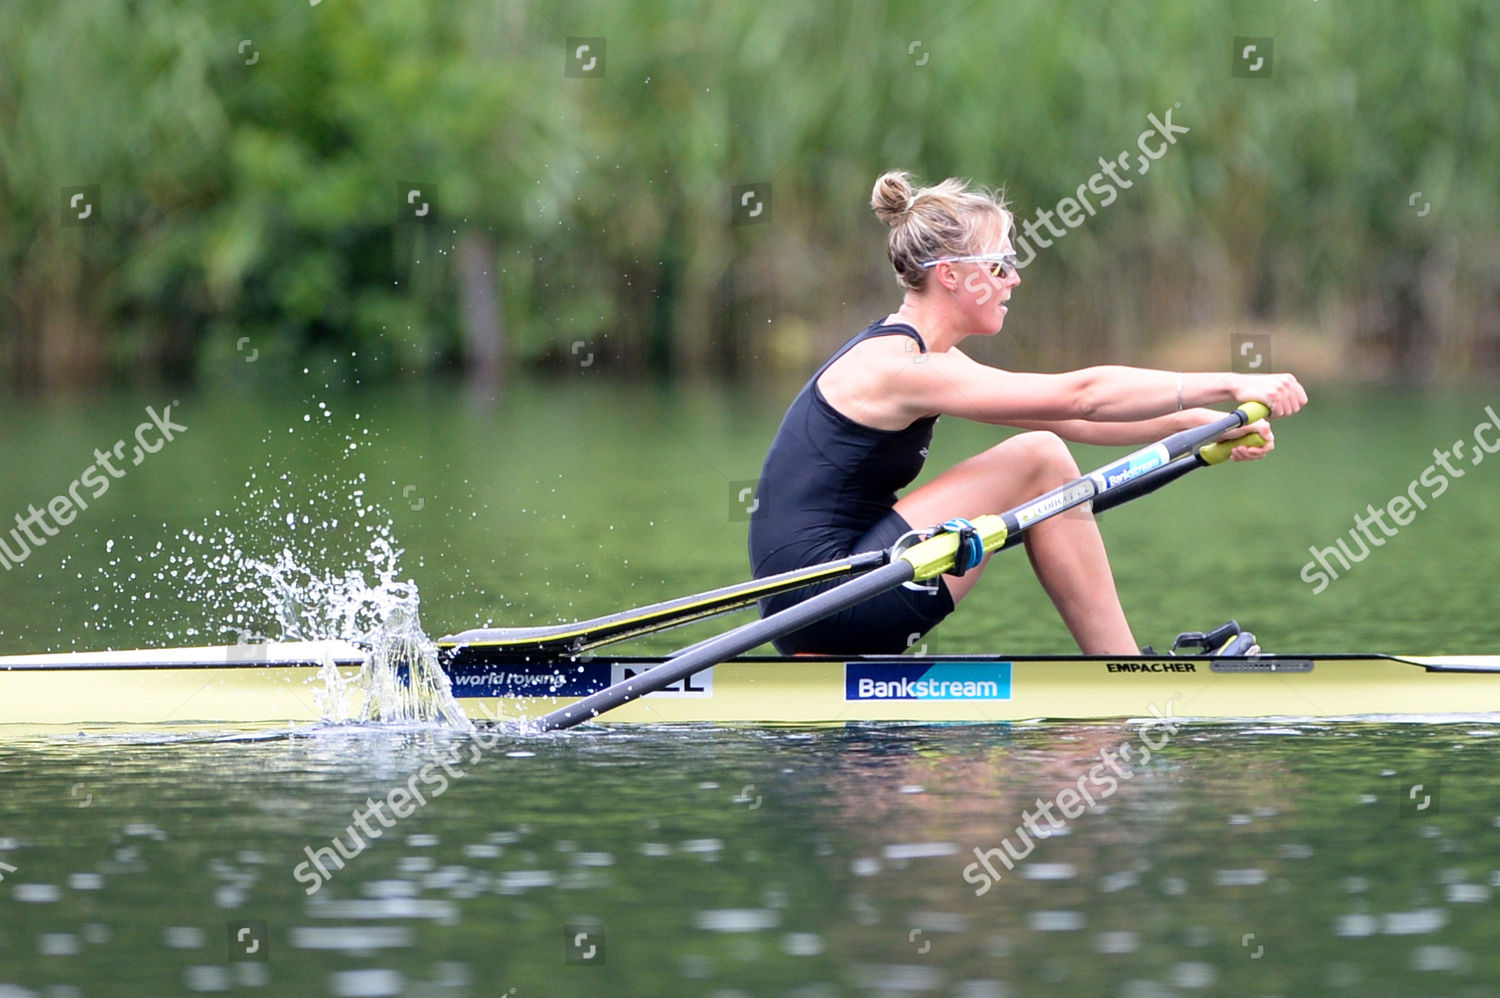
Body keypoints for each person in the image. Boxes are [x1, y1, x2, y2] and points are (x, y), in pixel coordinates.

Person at [747, 170, 1307, 656]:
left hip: (835, 596)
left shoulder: (928, 358)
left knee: (1044, 448)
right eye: (1000, 265)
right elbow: (1082, 395)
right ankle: (1122, 666)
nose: (1013, 278)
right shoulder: (896, 366)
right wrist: (1232, 380)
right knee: (1037, 457)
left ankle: (1119, 665)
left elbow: (1075, 419)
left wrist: (1201, 428)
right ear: (950, 274)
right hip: (824, 598)